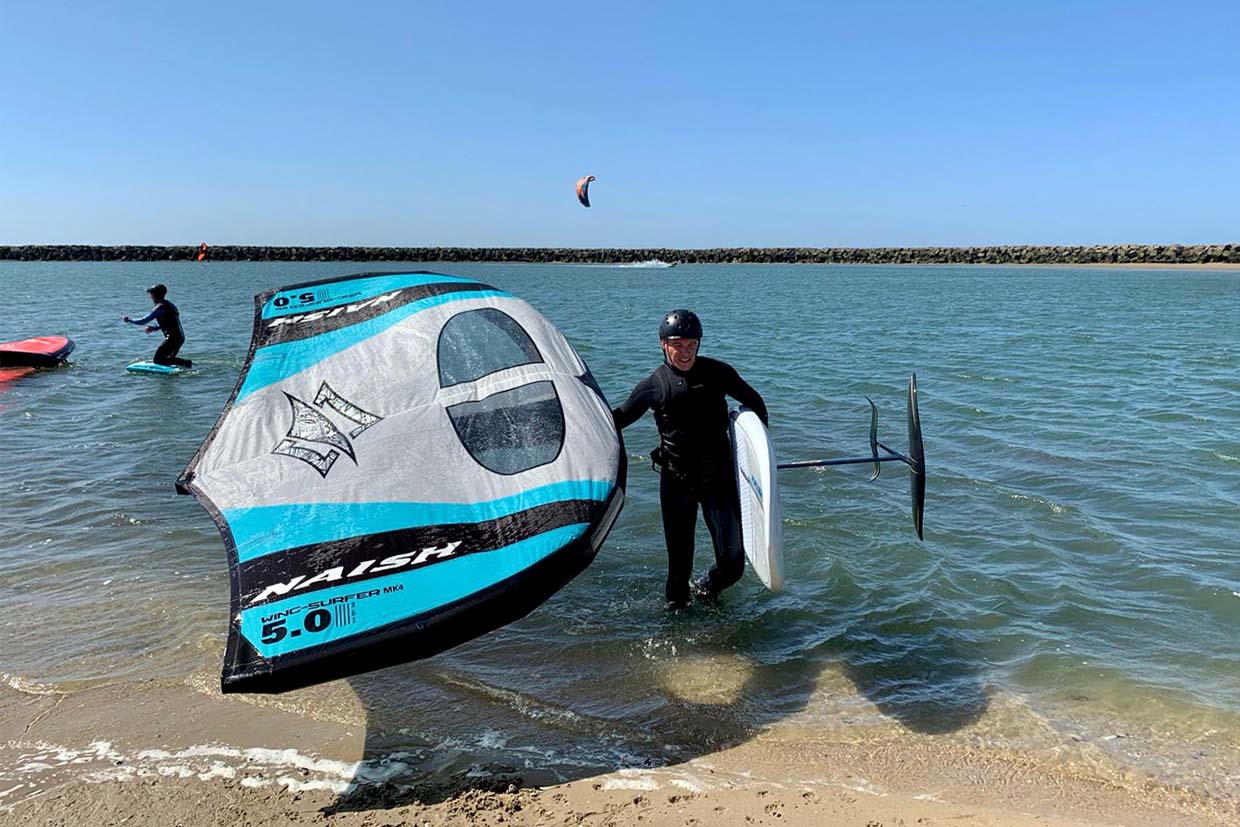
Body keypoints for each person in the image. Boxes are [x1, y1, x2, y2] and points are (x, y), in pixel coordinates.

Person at [612, 309, 768, 609]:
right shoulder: (653, 386)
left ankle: (708, 590)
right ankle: (677, 632)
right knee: (679, 570)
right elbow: (616, 420)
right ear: (663, 344)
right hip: (677, 483)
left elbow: (755, 403)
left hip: (718, 481)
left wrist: (760, 461)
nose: (685, 352)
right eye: (677, 345)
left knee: (734, 563)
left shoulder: (718, 373)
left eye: (691, 345)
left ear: (699, 343)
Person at [122, 283, 192, 368]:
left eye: (151, 294)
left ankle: (186, 363)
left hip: (173, 339)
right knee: (168, 359)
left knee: (158, 360)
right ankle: (183, 366)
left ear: (155, 295)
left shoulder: (160, 308)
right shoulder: (170, 305)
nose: (150, 297)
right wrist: (155, 328)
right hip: (180, 337)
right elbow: (170, 322)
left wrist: (129, 320)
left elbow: (144, 320)